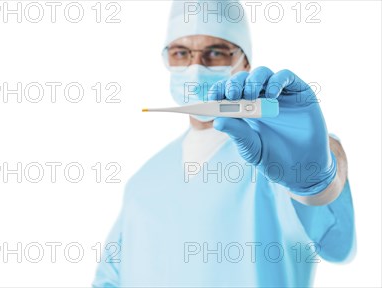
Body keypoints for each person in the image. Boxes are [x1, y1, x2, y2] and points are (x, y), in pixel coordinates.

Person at [92, 0, 355, 286]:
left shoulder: (279, 153)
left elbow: (338, 246)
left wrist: (317, 179)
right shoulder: (142, 182)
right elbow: (109, 278)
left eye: (215, 52)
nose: (195, 67)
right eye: (181, 53)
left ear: (245, 63)